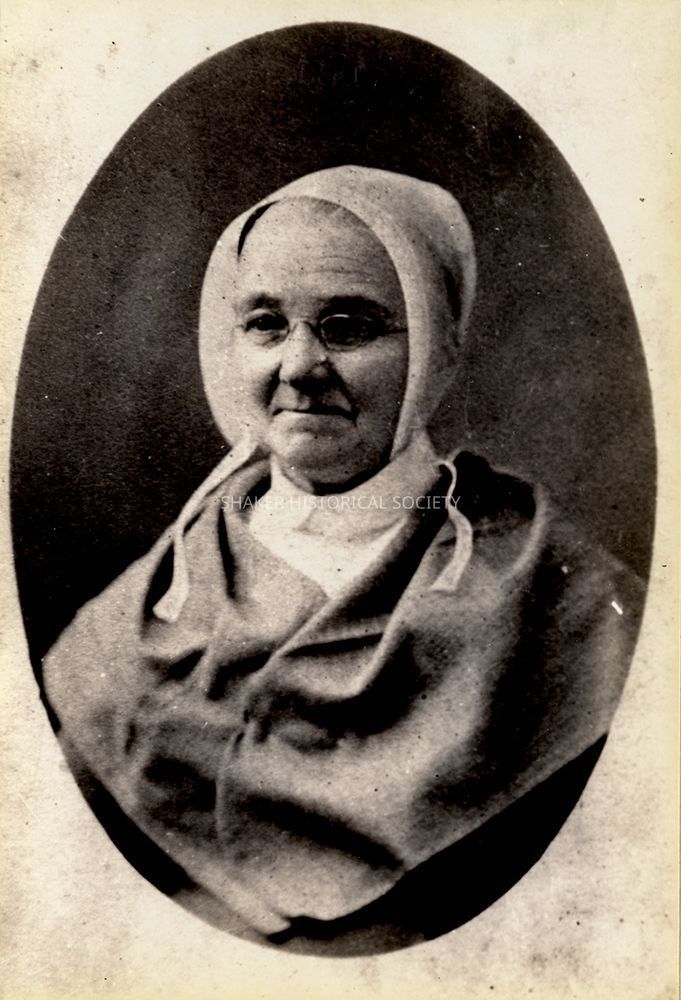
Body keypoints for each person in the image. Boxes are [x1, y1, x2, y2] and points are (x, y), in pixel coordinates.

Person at [42, 165, 643, 947]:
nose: (298, 366)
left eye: (348, 326)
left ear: (436, 348)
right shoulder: (176, 570)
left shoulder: (551, 588)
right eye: (265, 324)